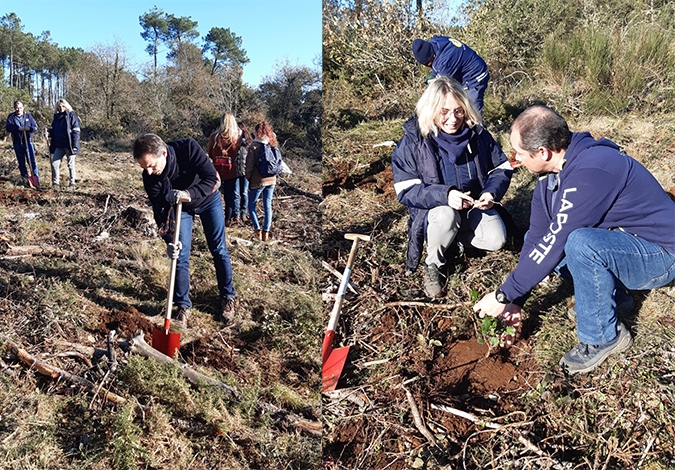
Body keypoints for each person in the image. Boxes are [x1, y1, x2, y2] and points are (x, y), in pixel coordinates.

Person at [473, 105, 675, 375]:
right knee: (555, 246)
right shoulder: (550, 179)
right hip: (626, 245)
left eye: (519, 154)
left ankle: (604, 337)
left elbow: (558, 241)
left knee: (579, 243)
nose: (516, 161)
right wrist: (515, 299)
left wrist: (502, 294)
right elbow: (537, 238)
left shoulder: (593, 169)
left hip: (661, 254)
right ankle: (616, 298)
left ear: (542, 152)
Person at [391, 76, 514, 298]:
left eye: (458, 111)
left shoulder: (478, 134)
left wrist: (490, 192)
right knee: (446, 215)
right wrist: (445, 195)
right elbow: (405, 189)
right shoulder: (413, 141)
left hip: (473, 207)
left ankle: (454, 243)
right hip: (435, 214)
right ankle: (433, 264)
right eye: (444, 111)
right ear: (431, 109)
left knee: (497, 239)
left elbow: (502, 168)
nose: (453, 119)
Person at [133, 133, 237, 326]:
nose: (148, 171)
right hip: (182, 211)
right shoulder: (150, 178)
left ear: (163, 153)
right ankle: (183, 306)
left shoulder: (188, 149)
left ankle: (228, 297)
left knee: (218, 249)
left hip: (208, 200)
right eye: (143, 167)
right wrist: (169, 239)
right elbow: (160, 211)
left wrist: (188, 194)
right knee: (180, 254)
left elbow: (213, 178)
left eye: (151, 165)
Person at [412, 36, 490, 114]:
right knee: (460, 107)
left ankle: (477, 125)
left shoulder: (444, 62)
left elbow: (443, 88)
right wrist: (433, 75)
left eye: (427, 64)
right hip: (466, 72)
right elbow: (437, 67)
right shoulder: (435, 41)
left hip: (476, 75)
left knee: (472, 110)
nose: (426, 66)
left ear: (432, 56)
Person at [207, 113, 247, 226]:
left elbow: (210, 153)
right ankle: (228, 219)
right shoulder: (236, 138)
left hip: (217, 170)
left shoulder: (214, 137)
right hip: (231, 171)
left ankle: (215, 217)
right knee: (230, 196)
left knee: (215, 195)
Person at [245, 121, 280, 241]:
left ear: (256, 132)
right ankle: (266, 231)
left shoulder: (254, 146)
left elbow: (249, 166)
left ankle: (257, 230)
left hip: (257, 180)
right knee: (267, 205)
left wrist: (248, 177)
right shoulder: (272, 143)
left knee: (251, 205)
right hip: (272, 179)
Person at [49, 98, 81, 189]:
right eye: (59, 106)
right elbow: (54, 130)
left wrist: (75, 145)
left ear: (66, 106)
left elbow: (76, 130)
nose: (61, 108)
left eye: (63, 106)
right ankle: (56, 184)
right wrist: (48, 133)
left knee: (70, 164)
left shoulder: (71, 115)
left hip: (69, 145)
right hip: (59, 145)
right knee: (55, 163)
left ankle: (72, 184)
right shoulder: (56, 117)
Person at [5, 100, 39, 187]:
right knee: (21, 162)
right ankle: (25, 180)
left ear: (23, 108)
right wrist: (18, 128)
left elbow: (35, 127)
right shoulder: (11, 117)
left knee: (31, 161)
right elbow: (8, 127)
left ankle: (35, 180)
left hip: (28, 142)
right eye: (17, 107)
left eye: (20, 107)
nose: (18, 109)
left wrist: (28, 129)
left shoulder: (28, 116)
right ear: (14, 108)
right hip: (17, 143)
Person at [235, 122, 251, 223]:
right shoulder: (232, 143)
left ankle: (243, 213)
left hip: (245, 172)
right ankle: (236, 215)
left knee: (244, 193)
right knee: (236, 194)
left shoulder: (249, 143)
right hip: (235, 172)